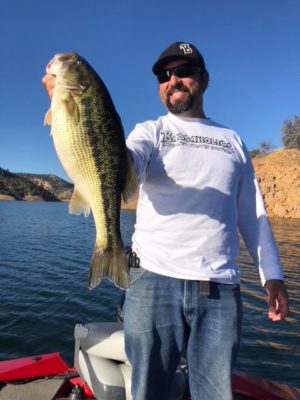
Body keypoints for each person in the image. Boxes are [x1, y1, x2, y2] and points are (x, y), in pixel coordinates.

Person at [42, 41, 289, 400]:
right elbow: (121, 163)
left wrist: (273, 276)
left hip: (219, 288)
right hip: (152, 282)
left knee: (216, 393)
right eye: (164, 74)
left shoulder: (232, 141)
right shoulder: (150, 132)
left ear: (203, 79)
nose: (172, 79)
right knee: (147, 392)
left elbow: (252, 213)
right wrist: (67, 107)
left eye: (183, 71)